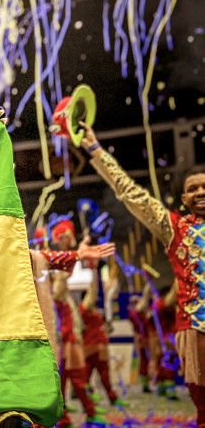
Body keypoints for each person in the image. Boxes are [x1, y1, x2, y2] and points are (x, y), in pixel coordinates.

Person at [81, 121, 205, 424]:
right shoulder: (174, 227)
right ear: (184, 199)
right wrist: (96, 151)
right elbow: (131, 194)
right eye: (193, 189)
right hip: (196, 327)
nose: (200, 192)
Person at [80, 265, 122, 407]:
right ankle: (89, 403)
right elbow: (92, 293)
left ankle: (108, 398)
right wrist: (93, 272)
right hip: (91, 346)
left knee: (102, 375)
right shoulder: (84, 310)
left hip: (98, 346)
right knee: (87, 376)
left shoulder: (94, 311)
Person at [129, 287, 157, 393]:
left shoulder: (141, 313)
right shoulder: (135, 313)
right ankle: (146, 383)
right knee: (145, 361)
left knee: (149, 360)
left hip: (147, 339)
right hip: (144, 340)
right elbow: (145, 299)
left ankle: (149, 382)